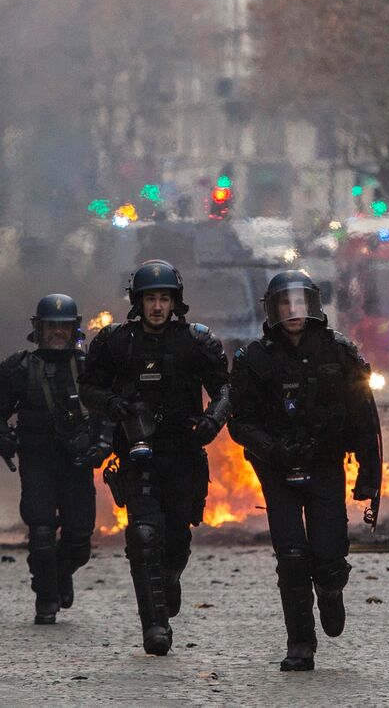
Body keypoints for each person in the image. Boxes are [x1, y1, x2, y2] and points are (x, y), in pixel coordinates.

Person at [228, 270, 382, 671]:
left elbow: (365, 420)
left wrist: (369, 477)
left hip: (325, 464)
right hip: (276, 469)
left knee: (328, 558)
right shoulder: (254, 359)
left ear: (312, 306)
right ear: (273, 309)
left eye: (300, 302)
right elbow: (240, 421)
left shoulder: (339, 354)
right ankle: (299, 642)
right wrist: (271, 448)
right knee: (292, 556)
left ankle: (331, 591)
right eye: (285, 303)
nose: (293, 311)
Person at [79, 259, 232, 656]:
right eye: (151, 299)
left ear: (175, 301)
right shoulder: (116, 341)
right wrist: (114, 405)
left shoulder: (196, 341)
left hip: (183, 452)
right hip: (137, 452)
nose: (158, 307)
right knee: (144, 535)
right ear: (138, 302)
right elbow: (89, 389)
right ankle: (155, 627)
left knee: (176, 541)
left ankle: (170, 577)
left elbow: (226, 389)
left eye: (165, 298)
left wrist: (212, 422)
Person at [0, 294, 111, 625]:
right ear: (38, 330)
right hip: (37, 460)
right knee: (40, 531)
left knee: (80, 541)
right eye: (51, 327)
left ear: (75, 330)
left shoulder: (89, 369)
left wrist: (102, 444)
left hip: (76, 464)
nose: (57, 333)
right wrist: (2, 438)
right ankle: (47, 597)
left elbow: (108, 412)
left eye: (63, 327)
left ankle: (56, 574)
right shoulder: (18, 369)